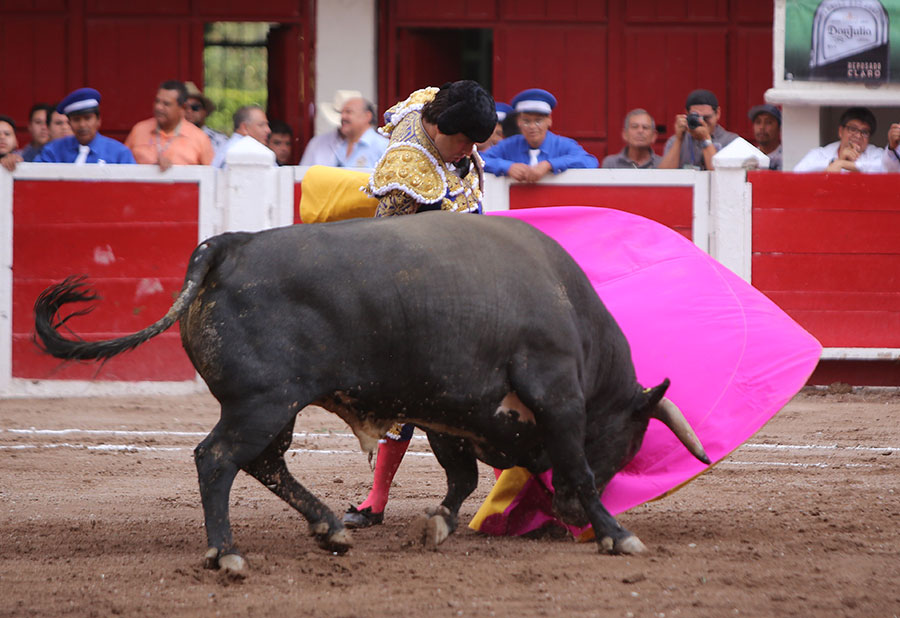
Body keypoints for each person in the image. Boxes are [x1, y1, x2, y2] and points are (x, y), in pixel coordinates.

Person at [343, 80, 496, 528]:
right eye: (463, 141)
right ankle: (375, 500)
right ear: (441, 128)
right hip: (423, 292)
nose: (468, 151)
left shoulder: (432, 104)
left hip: (467, 257)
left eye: (475, 141)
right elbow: (386, 247)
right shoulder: (406, 170)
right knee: (406, 398)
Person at [481, 88, 598, 181]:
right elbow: (480, 159)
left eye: (538, 121)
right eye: (526, 121)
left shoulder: (562, 144)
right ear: (518, 122)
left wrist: (550, 165)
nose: (532, 127)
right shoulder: (509, 145)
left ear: (549, 120)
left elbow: (590, 161)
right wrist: (507, 167)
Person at [29, 88, 134, 165]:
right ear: (69, 123)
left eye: (88, 118)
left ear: (99, 120)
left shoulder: (119, 153)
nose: (82, 125)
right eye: (76, 119)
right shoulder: (53, 150)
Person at [125, 80, 214, 170]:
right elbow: (121, 168)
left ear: (182, 108)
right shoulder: (139, 130)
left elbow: (211, 176)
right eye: (157, 101)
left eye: (166, 104)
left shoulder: (200, 138)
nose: (158, 107)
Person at [299, 91, 388, 167]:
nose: (342, 117)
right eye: (341, 113)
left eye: (348, 112)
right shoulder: (339, 145)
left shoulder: (383, 147)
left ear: (367, 116)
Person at [794, 107, 895, 173]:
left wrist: (844, 164)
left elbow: (888, 168)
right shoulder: (820, 153)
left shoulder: (876, 154)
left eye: (864, 132)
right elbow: (798, 172)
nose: (858, 136)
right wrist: (836, 161)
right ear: (840, 131)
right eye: (853, 129)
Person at [659, 89, 738, 170]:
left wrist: (705, 139)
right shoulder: (676, 140)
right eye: (697, 118)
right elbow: (664, 175)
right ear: (686, 113)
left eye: (706, 118)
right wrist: (679, 140)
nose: (701, 122)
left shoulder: (731, 141)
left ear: (717, 113)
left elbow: (720, 176)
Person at [183, 81, 228, 154]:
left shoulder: (220, 139)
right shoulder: (168, 139)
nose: (189, 111)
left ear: (205, 111)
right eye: (184, 107)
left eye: (195, 107)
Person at [748, 104, 782, 171]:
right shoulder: (748, 158)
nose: (762, 127)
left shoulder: (786, 158)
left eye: (768, 122)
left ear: (779, 127)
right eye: (758, 122)